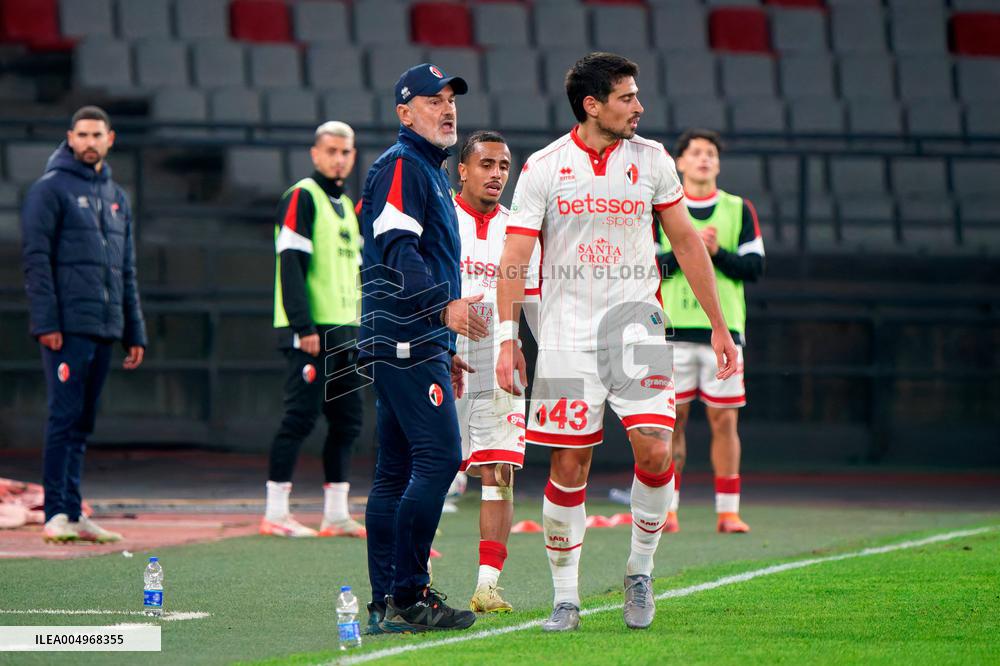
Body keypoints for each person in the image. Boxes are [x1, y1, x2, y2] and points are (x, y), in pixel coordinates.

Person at [495, 53, 738, 632]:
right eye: (627, 97)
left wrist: (721, 324)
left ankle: (640, 572)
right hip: (565, 336)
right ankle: (565, 597)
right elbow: (514, 258)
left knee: (656, 450)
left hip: (638, 328)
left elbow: (685, 244)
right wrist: (508, 340)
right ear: (592, 105)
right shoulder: (544, 167)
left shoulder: (652, 159)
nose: (639, 106)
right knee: (570, 462)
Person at [359, 63, 484, 634]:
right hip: (406, 336)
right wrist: (441, 312)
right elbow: (396, 252)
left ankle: (387, 601)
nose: (447, 108)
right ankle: (408, 594)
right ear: (404, 113)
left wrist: (442, 340)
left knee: (396, 472)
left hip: (412, 338)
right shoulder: (404, 164)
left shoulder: (424, 168)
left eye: (450, 98)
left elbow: (414, 254)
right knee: (439, 459)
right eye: (432, 100)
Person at [21, 106, 147, 544]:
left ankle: (74, 512)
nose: (90, 142)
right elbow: (36, 262)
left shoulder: (117, 195)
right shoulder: (49, 190)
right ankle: (56, 513)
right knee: (64, 417)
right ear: (70, 138)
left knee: (83, 422)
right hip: (66, 327)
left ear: (110, 139)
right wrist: (47, 322)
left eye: (98, 134)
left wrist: (135, 331)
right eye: (83, 134)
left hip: (105, 325)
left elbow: (125, 270)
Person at [260, 121, 367, 539]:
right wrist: (303, 326)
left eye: (345, 152)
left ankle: (335, 514)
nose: (338, 158)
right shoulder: (303, 196)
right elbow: (290, 262)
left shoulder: (346, 208)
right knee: (299, 418)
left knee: (347, 423)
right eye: (331, 151)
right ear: (315, 154)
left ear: (353, 156)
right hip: (311, 331)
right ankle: (275, 512)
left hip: (344, 331)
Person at [656, 129, 764, 535]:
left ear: (718, 164)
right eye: (696, 152)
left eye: (711, 154)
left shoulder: (738, 209)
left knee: (724, 422)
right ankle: (668, 509)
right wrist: (687, 249)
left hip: (724, 332)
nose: (704, 159)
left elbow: (755, 268)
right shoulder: (662, 208)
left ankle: (728, 510)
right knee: (670, 422)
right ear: (680, 162)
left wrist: (715, 253)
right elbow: (650, 267)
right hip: (668, 331)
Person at [452, 131, 541, 614]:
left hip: (497, 355)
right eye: (486, 164)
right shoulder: (439, 217)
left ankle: (487, 585)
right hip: (441, 354)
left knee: (500, 468)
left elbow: (535, 299)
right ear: (462, 170)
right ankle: (414, 576)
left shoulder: (519, 231)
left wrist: (527, 345)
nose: (496, 174)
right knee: (433, 467)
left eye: (504, 166)